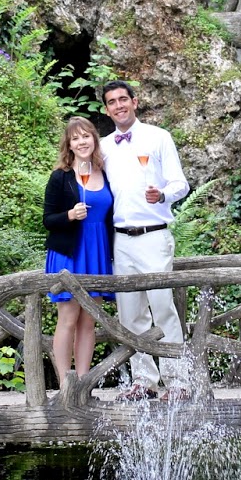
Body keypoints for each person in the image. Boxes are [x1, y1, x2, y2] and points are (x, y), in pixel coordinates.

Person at [99, 80, 190, 401]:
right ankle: (144, 381)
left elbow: (181, 184)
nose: (119, 105)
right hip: (120, 240)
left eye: (123, 99)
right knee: (130, 313)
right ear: (106, 109)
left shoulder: (158, 137)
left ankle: (178, 381)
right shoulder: (103, 147)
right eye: (112, 102)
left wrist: (162, 193)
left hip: (153, 235)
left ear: (134, 102)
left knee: (163, 307)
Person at [42, 117, 116, 389]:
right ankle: (65, 385)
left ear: (94, 139)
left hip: (97, 253)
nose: (82, 142)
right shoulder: (60, 177)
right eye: (75, 138)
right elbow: (48, 219)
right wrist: (70, 215)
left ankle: (83, 385)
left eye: (86, 136)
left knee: (88, 321)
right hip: (70, 254)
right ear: (69, 145)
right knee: (69, 318)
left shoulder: (105, 173)